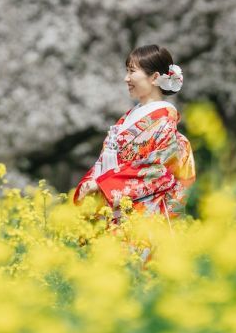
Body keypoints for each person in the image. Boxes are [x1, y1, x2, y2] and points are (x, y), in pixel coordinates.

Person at [74, 44, 195, 220]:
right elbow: (106, 158)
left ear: (154, 77)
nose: (126, 78)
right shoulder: (128, 118)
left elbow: (158, 170)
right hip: (111, 205)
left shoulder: (164, 120)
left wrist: (102, 184)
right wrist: (90, 182)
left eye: (132, 71)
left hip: (138, 214)